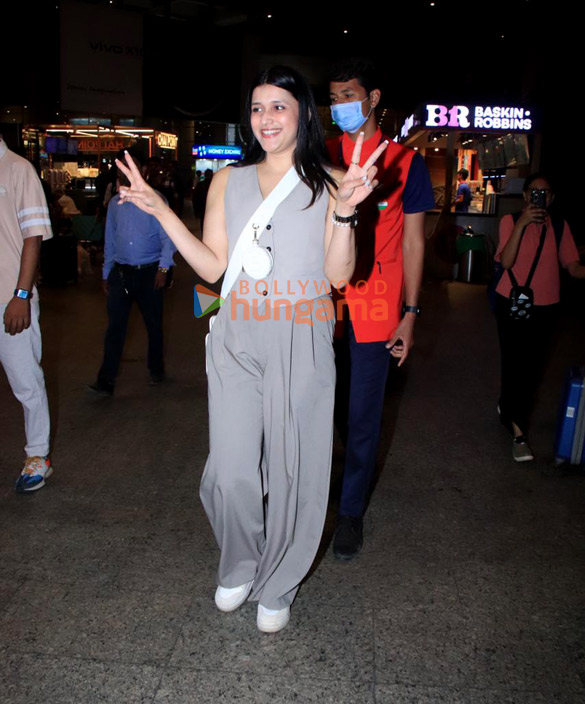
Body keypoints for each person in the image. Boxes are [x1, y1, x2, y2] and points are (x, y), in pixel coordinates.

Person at [114, 65, 387, 632]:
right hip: (236, 331)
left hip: (302, 332)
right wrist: (161, 210)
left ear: (302, 114)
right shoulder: (226, 182)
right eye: (258, 108)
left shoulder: (334, 181)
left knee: (295, 470)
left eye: (279, 106)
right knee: (232, 468)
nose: (266, 118)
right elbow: (215, 266)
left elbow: (339, 276)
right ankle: (239, 562)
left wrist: (345, 210)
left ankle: (279, 580)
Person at [327, 58, 435, 560]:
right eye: (333, 98)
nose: (340, 106)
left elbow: (415, 243)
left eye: (348, 95)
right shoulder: (323, 155)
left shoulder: (406, 164)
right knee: (326, 407)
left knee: (364, 414)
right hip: (322, 305)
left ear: (372, 99)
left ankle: (350, 512)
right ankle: (337, 476)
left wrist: (410, 312)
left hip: (376, 307)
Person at [494, 173, 585, 461]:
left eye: (545, 193)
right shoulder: (510, 221)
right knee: (514, 362)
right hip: (512, 300)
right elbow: (506, 261)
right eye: (534, 192)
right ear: (524, 197)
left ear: (553, 198)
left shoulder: (559, 226)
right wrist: (522, 223)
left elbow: (573, 267)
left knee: (532, 368)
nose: (540, 198)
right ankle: (518, 433)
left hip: (547, 306)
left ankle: (508, 408)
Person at [88, 154, 176, 396]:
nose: (126, 174)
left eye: (131, 168)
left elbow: (169, 238)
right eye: (121, 171)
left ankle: (156, 368)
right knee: (115, 327)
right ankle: (106, 380)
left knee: (154, 325)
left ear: (141, 170)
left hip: (150, 272)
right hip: (122, 274)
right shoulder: (115, 204)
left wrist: (163, 269)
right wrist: (106, 273)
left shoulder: (156, 200)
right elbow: (110, 240)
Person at [0, 136, 54, 492]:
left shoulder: (18, 169)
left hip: (9, 299)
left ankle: (38, 456)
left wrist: (21, 294)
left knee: (26, 382)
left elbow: (33, 237)